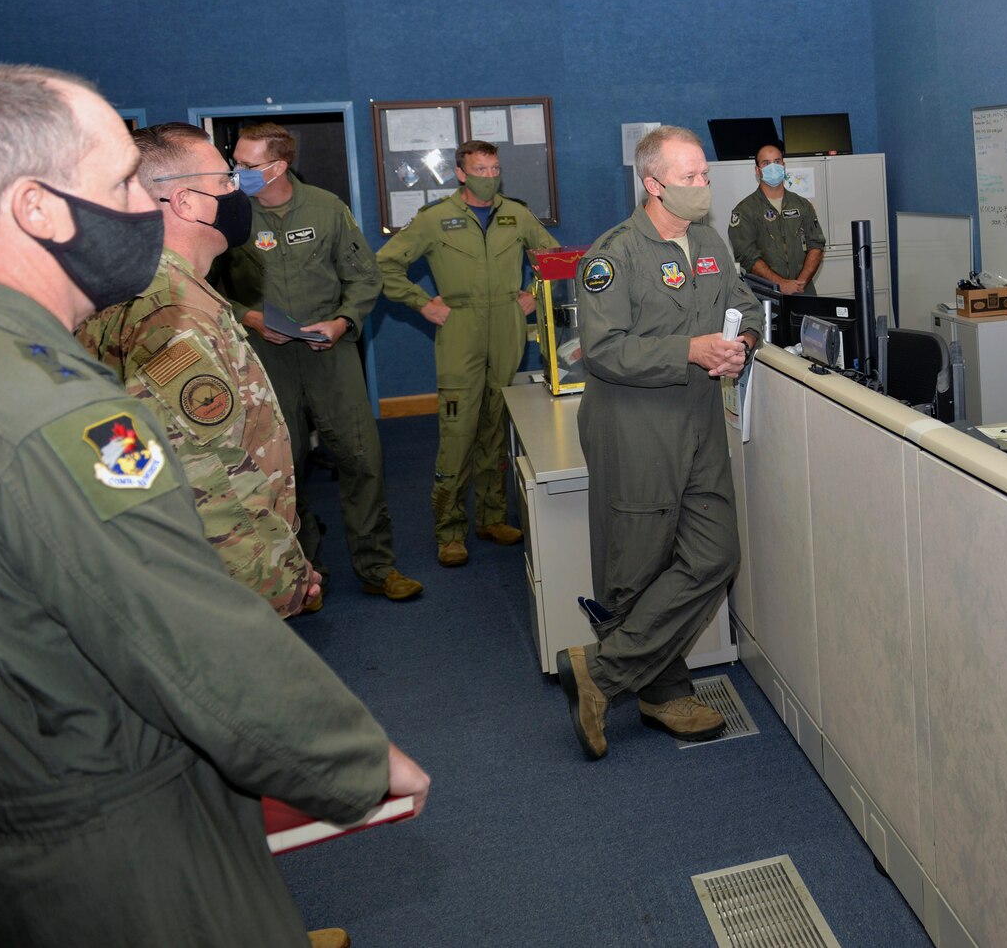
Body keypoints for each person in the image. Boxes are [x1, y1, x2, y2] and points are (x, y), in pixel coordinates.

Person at [0, 64, 428, 948]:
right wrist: (349, 758)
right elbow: (166, 608)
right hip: (99, 811)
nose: (148, 200)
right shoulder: (52, 410)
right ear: (36, 208)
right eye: (121, 180)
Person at [555, 127, 761, 756]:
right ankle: (663, 691)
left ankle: (602, 670)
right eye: (692, 176)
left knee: (714, 553)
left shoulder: (708, 244)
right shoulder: (613, 256)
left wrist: (741, 345)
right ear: (654, 184)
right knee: (637, 568)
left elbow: (746, 307)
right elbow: (605, 350)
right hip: (633, 426)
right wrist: (690, 349)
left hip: (697, 421)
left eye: (705, 175)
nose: (705, 186)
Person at [76, 123, 318, 618]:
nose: (238, 192)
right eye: (226, 182)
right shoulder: (170, 307)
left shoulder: (145, 280)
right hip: (217, 590)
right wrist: (274, 572)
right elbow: (204, 472)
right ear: (186, 203)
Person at [217, 121, 420, 601]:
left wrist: (344, 321)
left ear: (279, 165)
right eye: (236, 164)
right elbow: (205, 287)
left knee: (361, 458)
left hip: (330, 353)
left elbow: (364, 278)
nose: (237, 172)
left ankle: (377, 566)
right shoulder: (229, 214)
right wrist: (248, 316)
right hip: (264, 357)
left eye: (247, 166)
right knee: (282, 466)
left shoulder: (327, 209)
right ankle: (302, 574)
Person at [376, 139, 560, 568]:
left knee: (497, 425)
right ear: (461, 173)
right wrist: (423, 303)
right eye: (480, 168)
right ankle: (449, 530)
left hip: (507, 327)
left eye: (495, 168)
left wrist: (533, 291)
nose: (489, 176)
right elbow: (385, 265)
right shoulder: (435, 219)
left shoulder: (516, 213)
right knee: (458, 433)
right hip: (460, 327)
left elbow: (551, 256)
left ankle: (492, 517)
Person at [727, 140, 825, 294]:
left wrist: (800, 284)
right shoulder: (745, 210)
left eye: (777, 162)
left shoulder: (802, 205)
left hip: (803, 292)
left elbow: (816, 246)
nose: (773, 167)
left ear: (784, 166)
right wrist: (781, 284)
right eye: (766, 163)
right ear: (758, 171)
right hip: (765, 295)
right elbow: (747, 256)